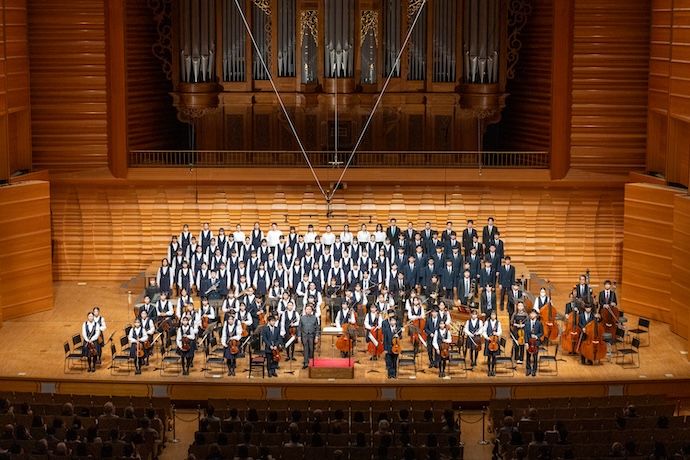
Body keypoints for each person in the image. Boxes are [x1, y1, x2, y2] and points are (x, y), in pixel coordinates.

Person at [297, 304, 320, 369]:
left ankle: (312, 362)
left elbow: (317, 328)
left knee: (311, 349)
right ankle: (305, 362)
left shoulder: (314, 318)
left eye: (309, 309)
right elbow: (299, 328)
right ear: (305, 310)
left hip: (312, 335)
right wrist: (299, 336)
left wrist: (317, 337)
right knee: (305, 349)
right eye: (307, 309)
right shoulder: (302, 318)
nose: (308, 310)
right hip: (304, 335)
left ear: (311, 310)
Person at [221, 311, 242, 376]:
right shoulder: (225, 324)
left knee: (234, 358)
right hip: (228, 342)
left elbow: (239, 334)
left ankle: (233, 370)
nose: (230, 321)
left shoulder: (237, 323)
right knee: (228, 358)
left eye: (231, 319)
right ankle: (229, 370)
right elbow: (224, 334)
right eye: (229, 319)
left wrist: (233, 338)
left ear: (233, 319)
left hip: (234, 343)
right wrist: (224, 343)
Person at [524, 309, 544, 377]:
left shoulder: (539, 323)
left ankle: (534, 370)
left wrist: (536, 336)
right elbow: (525, 334)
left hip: (536, 343)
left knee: (535, 357)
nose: (532, 315)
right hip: (529, 342)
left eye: (533, 314)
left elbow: (541, 333)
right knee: (528, 356)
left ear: (536, 315)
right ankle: (528, 369)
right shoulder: (527, 323)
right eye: (531, 314)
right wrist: (526, 342)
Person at [483, 310, 502, 376]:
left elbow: (500, 331)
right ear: (490, 316)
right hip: (489, 341)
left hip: (495, 341)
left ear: (496, 316)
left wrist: (496, 333)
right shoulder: (487, 322)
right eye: (492, 315)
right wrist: (486, 337)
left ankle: (493, 370)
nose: (493, 316)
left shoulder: (498, 323)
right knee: (489, 357)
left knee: (494, 357)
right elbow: (484, 331)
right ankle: (489, 370)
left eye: (494, 315)